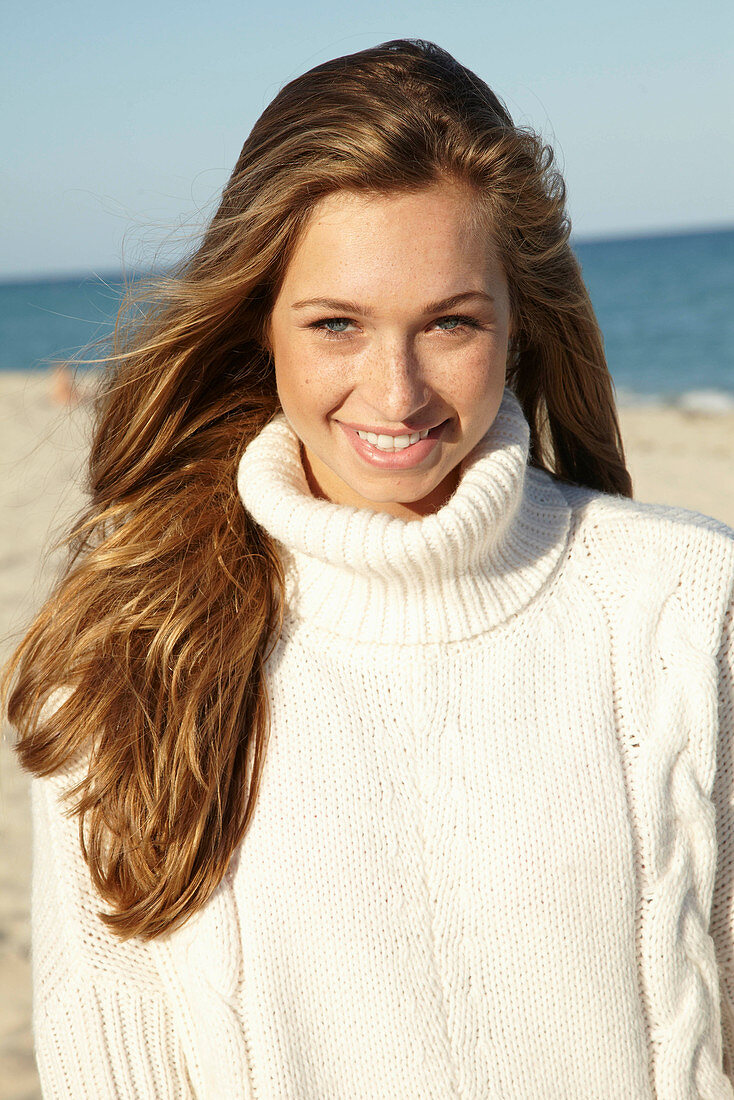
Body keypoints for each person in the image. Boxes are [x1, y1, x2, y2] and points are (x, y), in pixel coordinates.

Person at [3, 37, 734, 1100]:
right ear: (260, 324)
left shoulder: (684, 607)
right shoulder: (121, 656)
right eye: (336, 323)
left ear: (516, 322)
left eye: (447, 322)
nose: (394, 394)